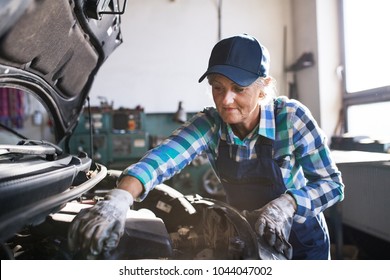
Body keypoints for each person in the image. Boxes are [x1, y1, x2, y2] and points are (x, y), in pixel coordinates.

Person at [68, 34, 344, 260]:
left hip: (304, 242)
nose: (226, 100)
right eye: (217, 87)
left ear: (263, 89)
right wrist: (118, 200)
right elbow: (160, 160)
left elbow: (332, 184)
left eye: (238, 88)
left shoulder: (292, 119)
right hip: (248, 237)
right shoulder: (211, 124)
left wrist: (287, 205)